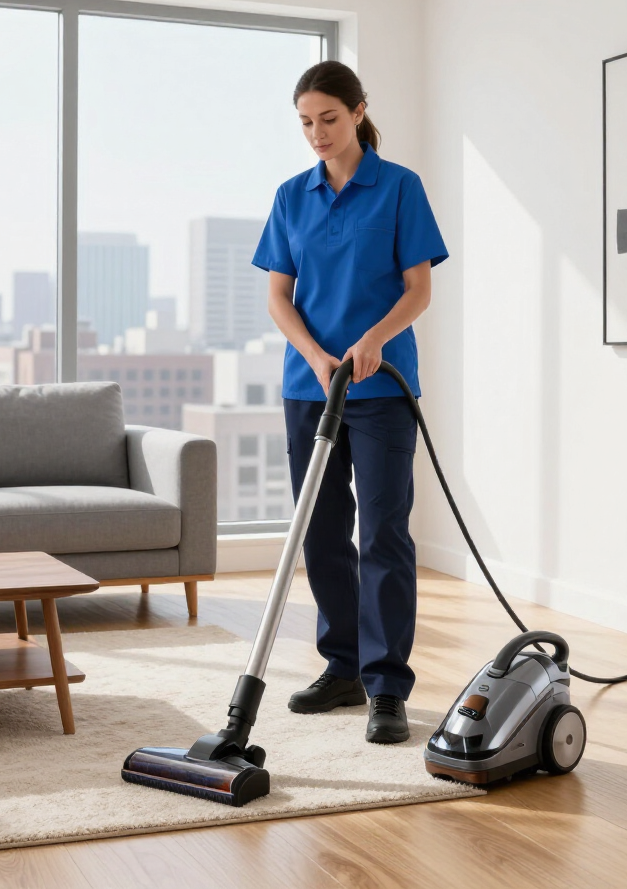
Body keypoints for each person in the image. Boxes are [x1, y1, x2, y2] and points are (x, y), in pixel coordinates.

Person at [252, 60, 448, 744]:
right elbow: (279, 295)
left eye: (329, 119)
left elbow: (417, 289)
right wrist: (313, 354)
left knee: (385, 531)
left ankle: (387, 684)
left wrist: (373, 341)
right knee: (322, 528)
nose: (317, 133)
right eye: (305, 122)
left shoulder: (398, 188)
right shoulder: (291, 196)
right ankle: (341, 668)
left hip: (382, 385)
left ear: (359, 111)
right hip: (310, 386)